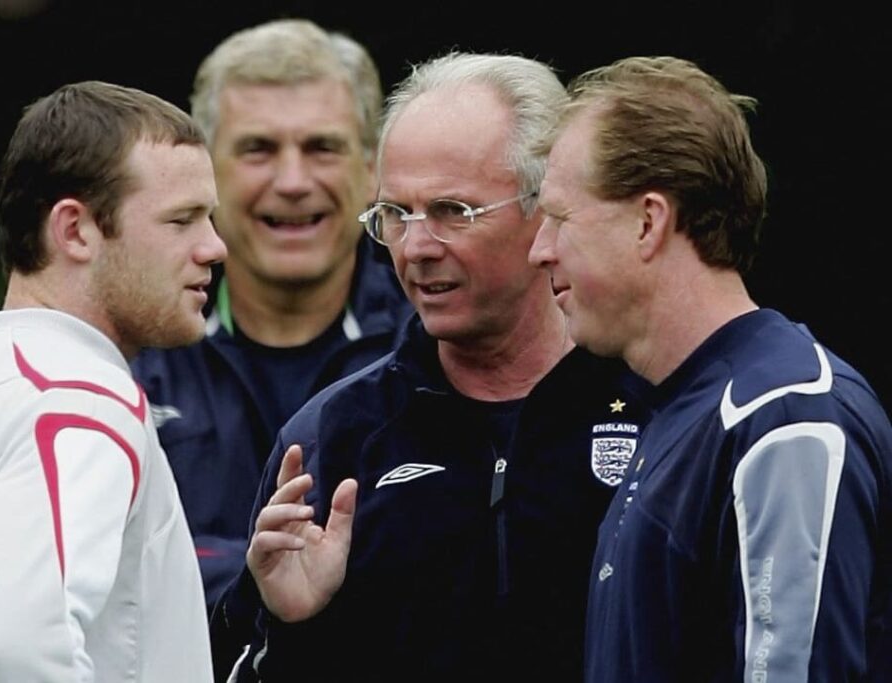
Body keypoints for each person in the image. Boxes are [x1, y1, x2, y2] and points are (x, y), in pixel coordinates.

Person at [220, 52, 651, 682]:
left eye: (454, 211)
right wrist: (290, 624)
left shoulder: (656, 404)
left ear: (545, 208)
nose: (417, 247)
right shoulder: (332, 436)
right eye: (395, 214)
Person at [528, 56, 892, 682]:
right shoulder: (689, 406)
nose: (540, 249)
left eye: (560, 218)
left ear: (649, 222)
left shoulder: (785, 415)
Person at [0, 81, 226, 682]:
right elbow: (17, 649)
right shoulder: (77, 401)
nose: (214, 246)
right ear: (75, 231)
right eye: (181, 220)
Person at [129, 19, 411, 635]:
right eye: (258, 149)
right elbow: (99, 576)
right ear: (205, 175)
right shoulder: (130, 356)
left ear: (371, 172)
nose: (291, 181)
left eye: (322, 148)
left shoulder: (437, 347)